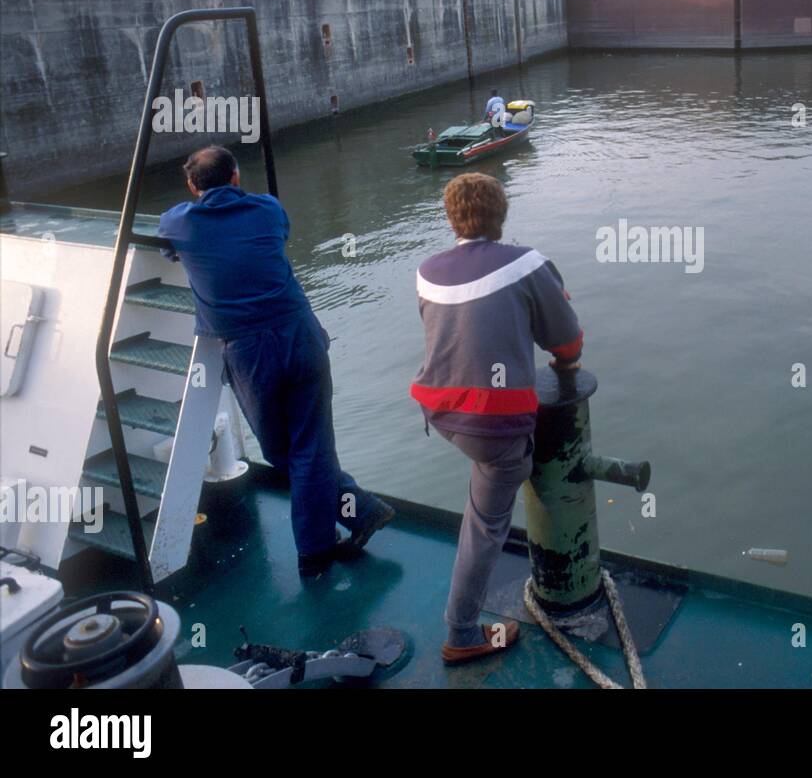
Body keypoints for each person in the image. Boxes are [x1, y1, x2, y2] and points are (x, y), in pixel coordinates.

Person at [158, 145, 394, 579]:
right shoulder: (267, 210)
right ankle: (358, 510)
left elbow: (170, 245)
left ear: (193, 187)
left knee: (287, 450)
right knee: (306, 449)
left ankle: (316, 551)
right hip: (300, 338)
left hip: (247, 353)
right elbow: (274, 234)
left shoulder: (180, 223)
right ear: (235, 178)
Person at [410, 172, 583, 664]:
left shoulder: (427, 270)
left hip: (442, 411)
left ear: (451, 219)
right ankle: (462, 635)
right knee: (485, 524)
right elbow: (566, 341)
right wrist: (565, 363)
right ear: (500, 215)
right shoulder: (527, 263)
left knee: (486, 483)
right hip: (496, 425)